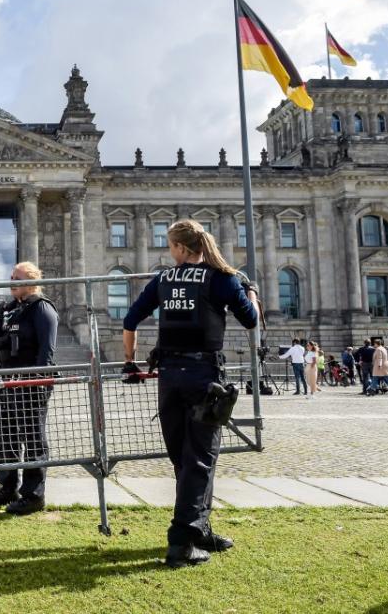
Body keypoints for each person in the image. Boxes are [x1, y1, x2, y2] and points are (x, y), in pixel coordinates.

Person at [122, 219, 259, 568]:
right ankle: (181, 542)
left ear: (182, 249)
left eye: (170, 246)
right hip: (203, 377)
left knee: (185, 459)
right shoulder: (223, 278)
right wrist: (251, 292)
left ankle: (200, 529)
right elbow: (251, 320)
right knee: (199, 458)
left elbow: (130, 320)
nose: (169, 252)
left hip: (169, 377)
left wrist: (129, 362)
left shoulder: (163, 280)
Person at [0, 261, 58, 516]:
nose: (11, 281)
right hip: (6, 381)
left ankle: (34, 496)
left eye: (17, 278)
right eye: (11, 276)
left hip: (29, 381)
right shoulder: (10, 310)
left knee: (33, 437)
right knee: (5, 435)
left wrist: (37, 382)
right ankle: (8, 487)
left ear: (32, 281)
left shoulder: (42, 309)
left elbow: (46, 351)